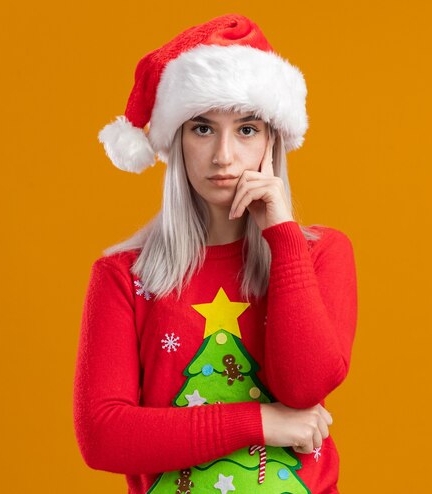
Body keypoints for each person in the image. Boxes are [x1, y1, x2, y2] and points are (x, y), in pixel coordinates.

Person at [73, 13, 358, 494]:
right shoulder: (124, 275)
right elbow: (103, 436)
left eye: (246, 129)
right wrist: (260, 422)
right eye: (202, 129)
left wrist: (282, 236)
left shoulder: (320, 253)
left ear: (273, 142)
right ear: (177, 144)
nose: (224, 155)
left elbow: (304, 388)